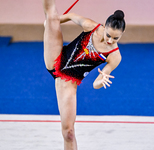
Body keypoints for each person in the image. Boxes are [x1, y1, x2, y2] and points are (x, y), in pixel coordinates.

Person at [43, 0, 126, 149]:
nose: (109, 40)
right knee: (51, 15)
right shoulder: (91, 26)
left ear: (122, 35)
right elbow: (72, 16)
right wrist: (55, 21)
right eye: (108, 35)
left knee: (68, 133)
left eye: (115, 38)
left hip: (69, 81)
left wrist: (102, 81)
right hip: (56, 58)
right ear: (104, 26)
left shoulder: (115, 56)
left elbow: (95, 84)